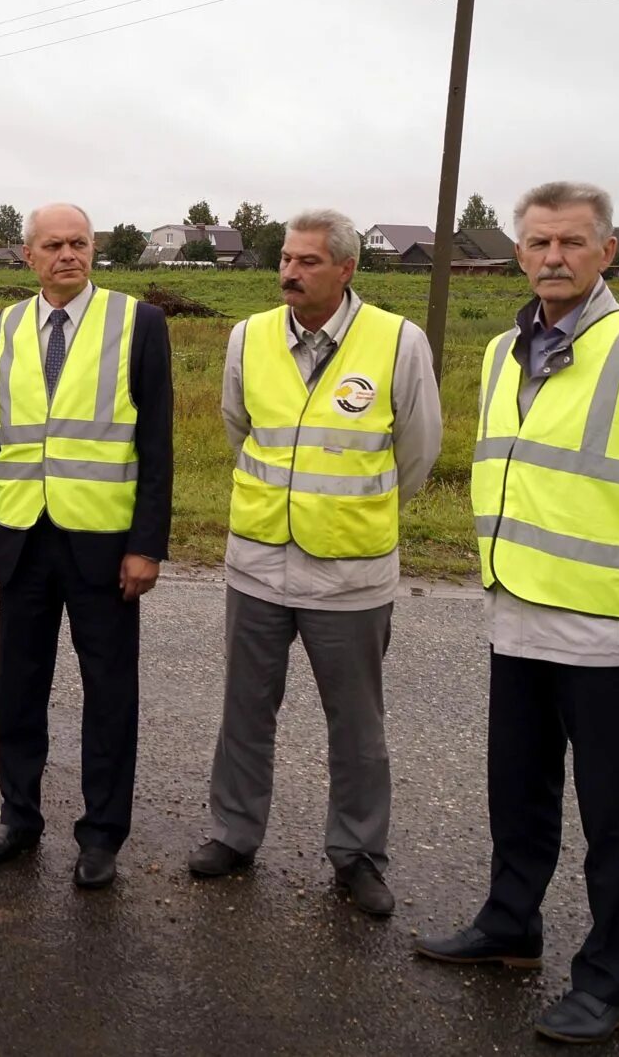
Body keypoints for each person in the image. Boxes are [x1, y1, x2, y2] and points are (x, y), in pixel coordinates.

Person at [415, 181, 619, 1045]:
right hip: (516, 614)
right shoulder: (507, 350)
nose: (554, 257)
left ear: (606, 251)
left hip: (604, 632)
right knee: (518, 790)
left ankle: (610, 979)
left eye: (572, 243)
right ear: (520, 251)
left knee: (614, 815)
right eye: (539, 242)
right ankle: (510, 926)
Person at [187, 210, 441, 916]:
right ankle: (233, 834)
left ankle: (357, 855)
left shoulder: (397, 341)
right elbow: (240, 430)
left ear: (346, 269)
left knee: (356, 726)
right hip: (259, 564)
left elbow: (417, 454)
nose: (289, 273)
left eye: (306, 262)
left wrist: (349, 507)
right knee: (245, 710)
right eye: (286, 260)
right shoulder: (250, 336)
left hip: (350, 575)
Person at [0, 203, 173, 890]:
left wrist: (147, 546)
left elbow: (156, 446)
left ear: (95, 250)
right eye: (53, 245)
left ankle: (101, 835)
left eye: (79, 243)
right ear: (28, 256)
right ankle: (19, 819)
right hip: (22, 538)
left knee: (109, 694)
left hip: (104, 546)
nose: (68, 255)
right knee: (18, 690)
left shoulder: (136, 322)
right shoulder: (3, 328)